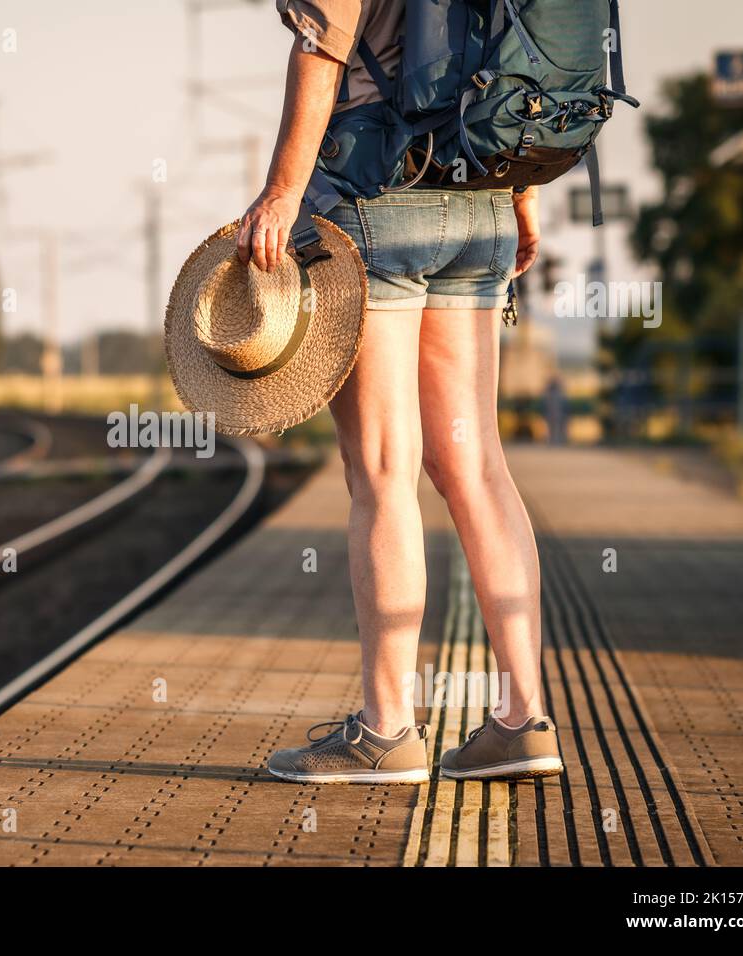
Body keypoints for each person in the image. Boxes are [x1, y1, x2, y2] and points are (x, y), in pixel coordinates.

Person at [253, 0, 563, 783]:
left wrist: (281, 195)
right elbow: (507, 61)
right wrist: (520, 195)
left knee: (385, 472)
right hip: (484, 196)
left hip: (376, 192)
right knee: (477, 466)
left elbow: (322, 52)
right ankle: (525, 720)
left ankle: (387, 730)